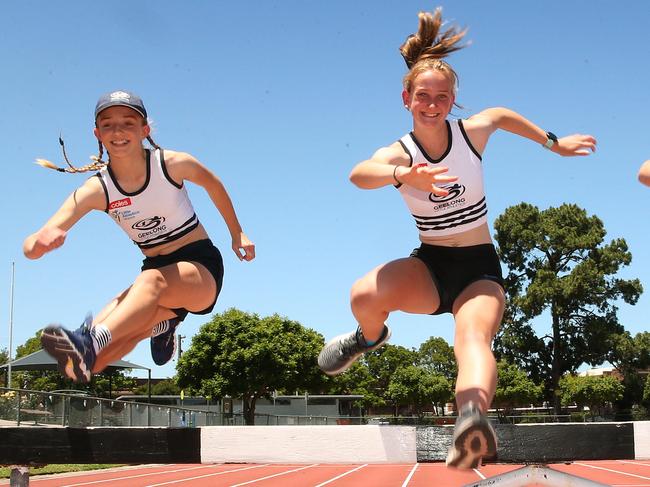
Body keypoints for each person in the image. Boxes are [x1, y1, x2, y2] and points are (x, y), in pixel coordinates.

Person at [317, 8, 596, 469]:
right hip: (429, 266)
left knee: (471, 337)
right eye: (422, 95)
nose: (432, 103)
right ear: (405, 97)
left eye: (442, 97)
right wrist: (404, 175)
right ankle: (367, 339)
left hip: (479, 270)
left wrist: (555, 143)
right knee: (363, 293)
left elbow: (502, 115)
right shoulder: (399, 151)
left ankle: (471, 421)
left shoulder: (471, 135)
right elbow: (357, 174)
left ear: (453, 100)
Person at [24, 90, 255, 382]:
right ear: (97, 133)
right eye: (107, 124)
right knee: (98, 356)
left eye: (128, 123)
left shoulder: (171, 164)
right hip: (156, 271)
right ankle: (156, 328)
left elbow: (213, 184)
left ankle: (88, 342)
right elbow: (34, 241)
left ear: (145, 130)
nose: (118, 131)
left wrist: (238, 233)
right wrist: (38, 245)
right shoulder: (98, 189)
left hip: (200, 267)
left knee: (146, 285)